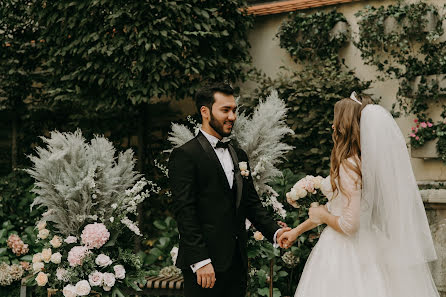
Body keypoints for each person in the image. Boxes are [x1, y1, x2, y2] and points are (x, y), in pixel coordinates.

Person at [279, 92, 440, 297]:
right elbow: (337, 207)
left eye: (335, 120)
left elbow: (349, 225)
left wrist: (323, 216)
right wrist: (297, 231)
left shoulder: (349, 164)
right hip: (371, 245)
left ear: (344, 125)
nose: (332, 126)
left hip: (346, 254)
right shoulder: (366, 164)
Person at [168, 82, 289, 297]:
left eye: (234, 110)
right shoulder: (185, 155)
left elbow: (250, 203)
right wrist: (201, 260)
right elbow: (184, 212)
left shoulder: (238, 155)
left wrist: (276, 232)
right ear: (205, 112)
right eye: (225, 110)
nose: (232, 116)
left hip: (236, 264)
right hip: (204, 267)